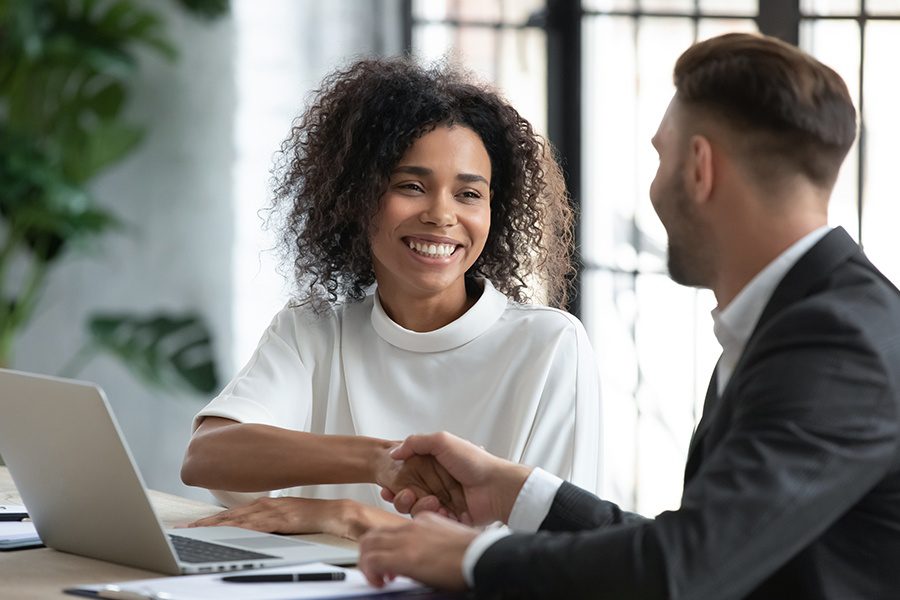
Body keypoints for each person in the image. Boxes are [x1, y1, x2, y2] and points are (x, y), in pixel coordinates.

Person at [358, 32, 900, 599]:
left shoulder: (835, 344)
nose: (654, 186)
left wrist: (473, 557)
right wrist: (519, 493)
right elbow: (709, 546)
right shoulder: (811, 319)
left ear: (699, 168)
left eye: (660, 156)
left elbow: (682, 570)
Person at [179, 57, 602, 541]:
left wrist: (350, 517)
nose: (442, 215)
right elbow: (207, 456)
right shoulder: (314, 330)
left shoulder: (549, 345)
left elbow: (557, 554)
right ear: (356, 198)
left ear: (494, 209)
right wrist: (378, 460)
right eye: (412, 186)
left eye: (469, 194)